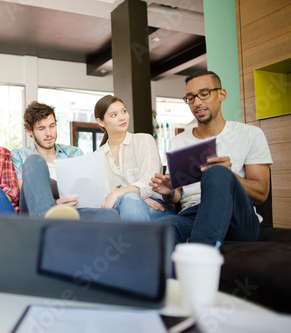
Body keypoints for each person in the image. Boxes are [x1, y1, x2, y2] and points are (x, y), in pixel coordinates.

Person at [150, 70, 272, 247]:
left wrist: (229, 176)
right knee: (160, 228)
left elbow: (262, 193)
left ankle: (202, 253)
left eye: (204, 94)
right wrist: (169, 192)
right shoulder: (178, 142)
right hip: (193, 213)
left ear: (221, 94)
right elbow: (178, 196)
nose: (197, 102)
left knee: (217, 172)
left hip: (237, 216)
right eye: (190, 98)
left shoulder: (250, 135)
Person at [11, 101, 119, 220]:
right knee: (34, 160)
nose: (49, 133)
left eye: (52, 126)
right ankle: (47, 219)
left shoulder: (74, 153)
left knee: (110, 215)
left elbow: (86, 190)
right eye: (41, 128)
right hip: (35, 213)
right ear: (29, 131)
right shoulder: (19, 155)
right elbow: (26, 193)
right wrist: (55, 205)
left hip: (72, 210)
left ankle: (57, 225)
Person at [94, 95, 176, 222]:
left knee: (130, 200)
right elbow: (103, 198)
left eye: (124, 111)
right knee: (129, 201)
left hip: (155, 207)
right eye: (114, 115)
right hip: (117, 210)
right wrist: (134, 198)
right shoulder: (97, 156)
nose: (122, 117)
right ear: (100, 121)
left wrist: (120, 194)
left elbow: (149, 181)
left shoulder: (144, 140)